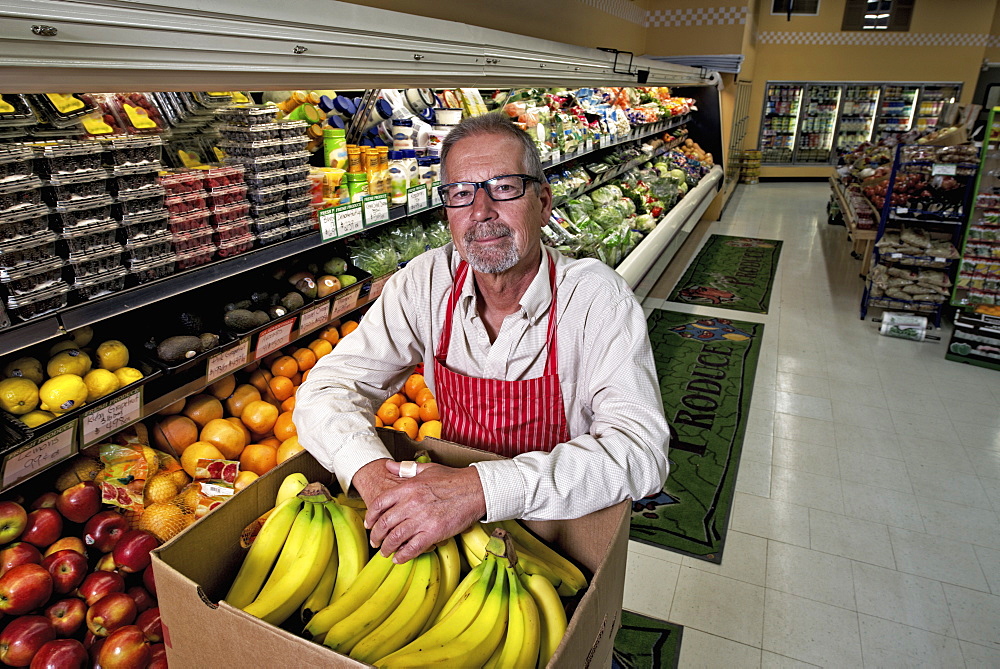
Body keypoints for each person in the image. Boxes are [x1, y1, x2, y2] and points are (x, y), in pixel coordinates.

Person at [294, 112, 670, 563]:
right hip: (443, 530)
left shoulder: (595, 299)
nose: (481, 212)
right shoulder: (425, 283)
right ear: (446, 212)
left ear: (545, 202)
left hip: (559, 538)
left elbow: (641, 451)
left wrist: (481, 489)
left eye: (505, 187)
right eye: (461, 193)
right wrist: (371, 475)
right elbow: (327, 388)